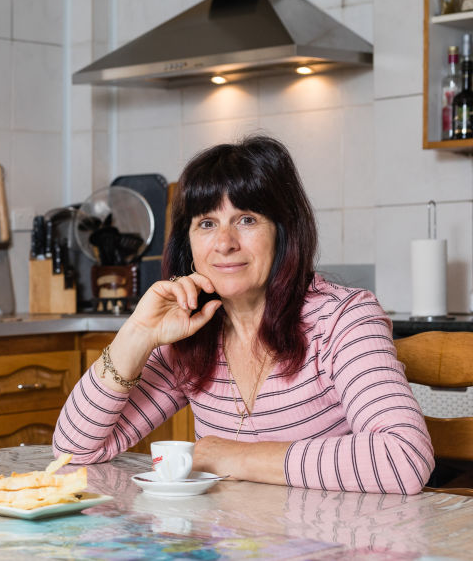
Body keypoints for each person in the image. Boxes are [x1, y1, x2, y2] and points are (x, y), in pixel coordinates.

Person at [53, 135, 434, 495]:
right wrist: (136, 333)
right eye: (206, 223)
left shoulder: (341, 320)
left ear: (284, 231)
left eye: (247, 219)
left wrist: (231, 456)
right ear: (188, 243)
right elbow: (73, 452)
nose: (224, 243)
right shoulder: (191, 333)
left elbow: (403, 458)